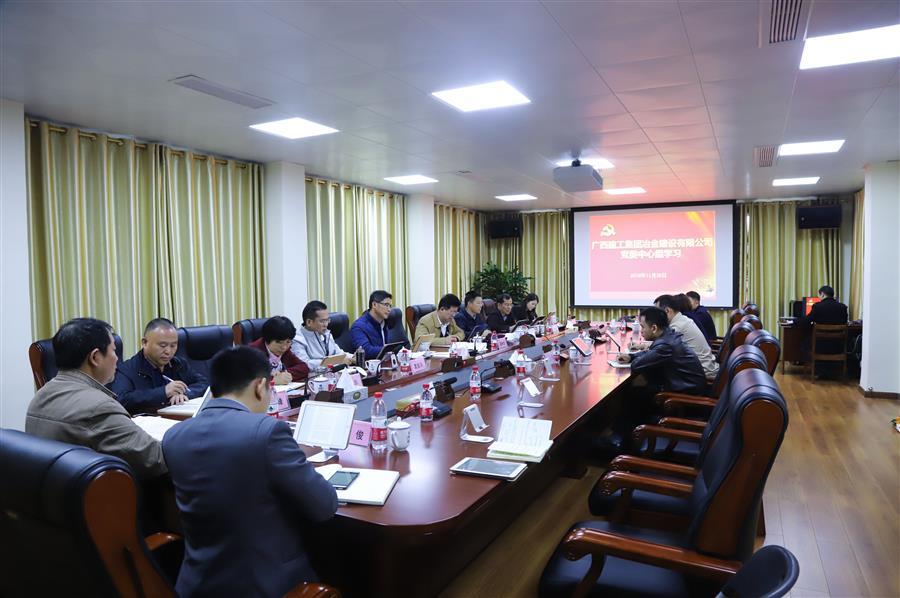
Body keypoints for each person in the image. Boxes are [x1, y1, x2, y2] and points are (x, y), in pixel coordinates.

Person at [162, 346, 337, 598]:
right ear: (260, 386)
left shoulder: (173, 436)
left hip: (196, 585)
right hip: (266, 585)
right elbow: (324, 505)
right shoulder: (266, 431)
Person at [27, 318, 167, 479]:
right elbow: (155, 459)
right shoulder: (100, 407)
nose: (117, 358)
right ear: (95, 357)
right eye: (114, 351)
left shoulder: (40, 396)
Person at [110, 317, 208, 415]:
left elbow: (204, 384)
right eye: (162, 345)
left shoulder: (177, 364)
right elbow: (121, 400)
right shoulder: (126, 370)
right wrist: (164, 392)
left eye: (173, 345)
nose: (168, 351)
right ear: (144, 343)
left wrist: (183, 394)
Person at [653, 294, 719, 380]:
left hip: (702, 373)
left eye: (657, 313)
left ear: (667, 310)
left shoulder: (678, 326)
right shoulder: (682, 319)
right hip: (705, 366)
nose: (656, 317)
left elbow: (661, 347)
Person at [802, 285, 849, 376]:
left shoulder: (817, 306)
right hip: (837, 345)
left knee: (804, 343)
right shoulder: (843, 307)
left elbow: (807, 321)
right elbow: (845, 322)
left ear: (822, 294)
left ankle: (817, 369)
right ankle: (833, 370)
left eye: (819, 295)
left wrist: (796, 321)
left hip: (820, 345)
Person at [249, 316, 309, 383]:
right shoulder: (253, 352)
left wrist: (285, 374)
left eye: (288, 342)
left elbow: (304, 368)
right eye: (279, 342)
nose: (284, 347)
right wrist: (272, 379)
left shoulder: (285, 350)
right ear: (267, 339)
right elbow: (249, 378)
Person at [292, 301, 351, 369]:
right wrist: (334, 362)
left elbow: (339, 354)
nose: (326, 324)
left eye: (327, 320)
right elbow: (304, 364)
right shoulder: (297, 339)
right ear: (309, 322)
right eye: (322, 321)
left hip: (331, 373)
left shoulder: (326, 333)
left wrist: (353, 357)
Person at [350, 290, 399, 359]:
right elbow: (365, 351)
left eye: (390, 306)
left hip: (383, 362)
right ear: (374, 305)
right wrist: (391, 351)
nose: (389, 309)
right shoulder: (358, 326)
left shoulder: (385, 322)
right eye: (386, 305)